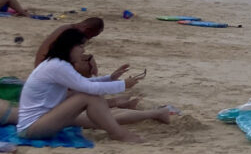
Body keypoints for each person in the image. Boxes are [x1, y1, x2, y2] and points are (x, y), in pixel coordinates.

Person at [16, 28, 172, 144]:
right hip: (32, 128)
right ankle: (119, 134)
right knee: (89, 97)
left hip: (45, 118)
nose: (83, 51)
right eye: (81, 47)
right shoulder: (57, 66)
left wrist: (110, 78)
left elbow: (83, 83)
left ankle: (156, 114)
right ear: (70, 46)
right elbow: (87, 88)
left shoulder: (57, 64)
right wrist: (123, 85)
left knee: (99, 114)